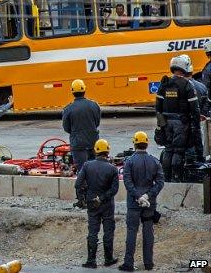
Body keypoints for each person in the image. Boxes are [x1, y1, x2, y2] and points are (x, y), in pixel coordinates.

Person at [119, 131, 164, 272]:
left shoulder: (129, 162)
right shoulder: (154, 161)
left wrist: (138, 196)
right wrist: (148, 195)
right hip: (149, 204)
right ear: (147, 144)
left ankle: (128, 263)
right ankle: (148, 263)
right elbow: (160, 182)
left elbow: (127, 181)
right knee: (148, 232)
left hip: (134, 203)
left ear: (134, 143)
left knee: (132, 232)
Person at [155, 55, 201, 181]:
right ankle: (177, 178)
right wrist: (195, 126)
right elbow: (195, 109)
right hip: (181, 123)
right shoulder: (187, 84)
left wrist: (160, 125)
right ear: (185, 67)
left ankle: (166, 178)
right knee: (178, 151)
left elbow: (158, 107)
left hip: (166, 123)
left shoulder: (164, 83)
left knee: (168, 149)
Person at [75, 139, 119, 269]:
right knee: (108, 230)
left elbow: (78, 184)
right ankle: (108, 259)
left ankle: (91, 260)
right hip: (107, 204)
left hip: (92, 203)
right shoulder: (112, 169)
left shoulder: (87, 165)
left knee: (93, 231)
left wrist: (85, 195)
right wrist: (102, 197)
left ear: (96, 150)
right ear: (108, 151)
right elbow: (114, 189)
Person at [62, 79, 101, 171]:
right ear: (84, 90)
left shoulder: (68, 109)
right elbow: (97, 123)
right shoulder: (94, 105)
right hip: (93, 142)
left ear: (72, 92)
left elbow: (67, 128)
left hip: (78, 145)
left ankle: (83, 185)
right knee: (94, 170)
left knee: (82, 171)